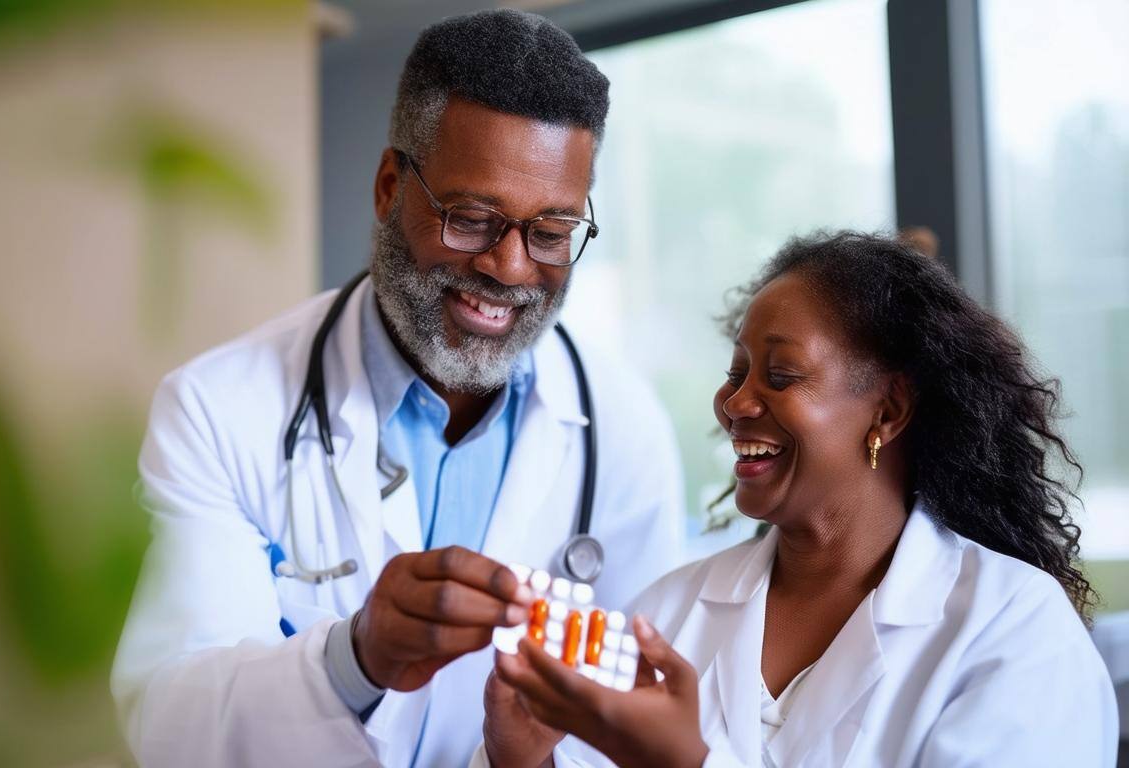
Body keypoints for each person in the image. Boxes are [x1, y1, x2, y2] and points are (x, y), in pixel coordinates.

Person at [111, 10, 685, 767]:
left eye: (551, 232)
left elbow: (636, 724)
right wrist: (354, 658)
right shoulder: (220, 409)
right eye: (472, 218)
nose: (508, 268)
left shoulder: (622, 426)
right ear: (389, 187)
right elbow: (167, 725)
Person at [480, 232, 1118, 767]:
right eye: (736, 374)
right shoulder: (666, 614)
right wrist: (522, 756)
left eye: (780, 377)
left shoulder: (1013, 631)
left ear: (888, 410)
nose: (735, 404)